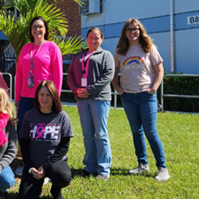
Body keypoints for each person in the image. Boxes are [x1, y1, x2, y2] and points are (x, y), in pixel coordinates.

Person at [112, 19, 170, 181]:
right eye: (129, 29)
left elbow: (160, 70)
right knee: (136, 132)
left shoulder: (148, 48)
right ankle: (142, 165)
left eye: (135, 29)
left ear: (140, 30)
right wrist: (118, 88)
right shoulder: (120, 51)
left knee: (150, 132)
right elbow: (114, 73)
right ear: (125, 32)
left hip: (146, 96)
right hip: (128, 97)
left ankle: (162, 168)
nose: (132, 32)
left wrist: (153, 89)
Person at [67, 27, 114, 180]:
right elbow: (71, 75)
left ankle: (103, 169)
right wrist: (76, 90)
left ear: (102, 39)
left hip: (99, 98)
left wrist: (89, 90)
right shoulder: (79, 56)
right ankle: (89, 166)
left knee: (101, 134)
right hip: (82, 99)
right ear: (86, 38)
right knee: (88, 135)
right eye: (90, 38)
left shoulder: (106, 55)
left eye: (97, 38)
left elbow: (108, 75)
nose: (93, 41)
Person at [18, 81, 73, 199]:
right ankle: (37, 184)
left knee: (63, 177)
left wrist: (45, 166)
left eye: (48, 95)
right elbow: (24, 144)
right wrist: (29, 166)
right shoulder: (29, 116)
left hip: (54, 162)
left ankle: (56, 190)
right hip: (34, 164)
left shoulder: (62, 116)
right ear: (37, 96)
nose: (44, 98)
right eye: (41, 94)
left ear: (54, 97)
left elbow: (64, 146)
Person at [15, 17, 63, 139]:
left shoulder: (52, 47)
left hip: (45, 96)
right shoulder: (26, 48)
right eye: (34, 27)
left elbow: (58, 74)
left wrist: (55, 96)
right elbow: (20, 74)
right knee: (22, 128)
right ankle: (24, 155)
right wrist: (17, 98)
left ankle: (40, 154)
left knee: (42, 128)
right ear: (31, 30)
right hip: (25, 96)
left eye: (40, 26)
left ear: (46, 29)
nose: (37, 29)